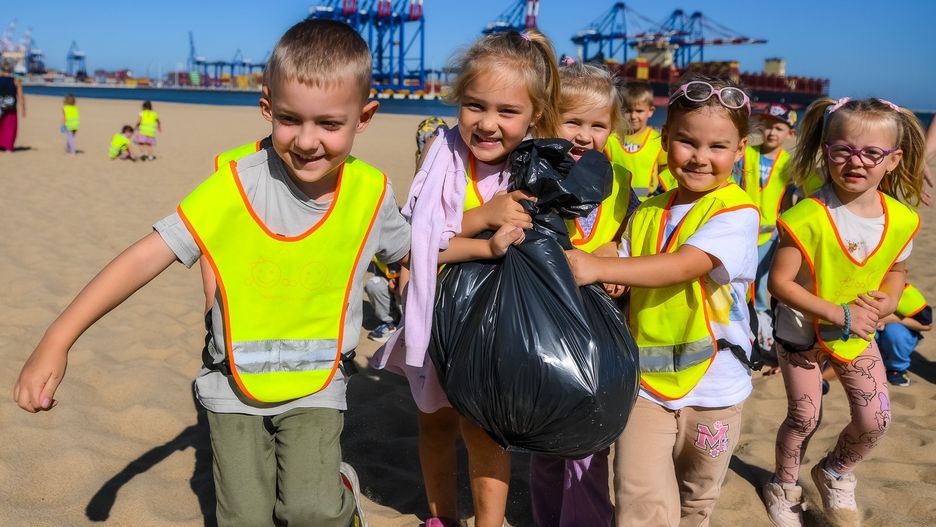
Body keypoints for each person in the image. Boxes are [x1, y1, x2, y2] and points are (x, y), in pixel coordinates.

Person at [14, 19, 409, 527]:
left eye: (329, 124)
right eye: (290, 119)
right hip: (231, 384)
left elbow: (415, 251)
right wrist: (58, 338)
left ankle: (341, 490)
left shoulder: (371, 193)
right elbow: (144, 256)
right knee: (246, 518)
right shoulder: (232, 186)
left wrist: (478, 237)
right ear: (267, 107)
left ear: (365, 117)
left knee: (309, 509)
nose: (308, 141)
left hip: (318, 381)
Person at [371, 28, 560, 527]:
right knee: (433, 425)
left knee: (483, 435)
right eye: (475, 106)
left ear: (535, 115)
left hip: (497, 331)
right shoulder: (442, 156)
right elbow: (415, 241)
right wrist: (482, 221)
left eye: (507, 111)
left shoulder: (536, 169)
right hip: (438, 320)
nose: (487, 124)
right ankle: (441, 517)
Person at [566, 74, 760, 527]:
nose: (700, 157)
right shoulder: (649, 206)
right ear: (665, 140)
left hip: (715, 388)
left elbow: (683, 264)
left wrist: (599, 268)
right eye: (687, 142)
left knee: (696, 497)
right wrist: (606, 259)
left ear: (740, 149)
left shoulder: (737, 213)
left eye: (717, 147)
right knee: (639, 498)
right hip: (645, 386)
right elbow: (628, 254)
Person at [762, 97, 924, 526]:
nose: (856, 162)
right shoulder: (807, 215)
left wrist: (889, 300)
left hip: (856, 333)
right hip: (800, 332)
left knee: (876, 418)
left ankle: (834, 471)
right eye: (842, 150)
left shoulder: (902, 219)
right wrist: (836, 312)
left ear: (894, 160)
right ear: (826, 152)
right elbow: (778, 284)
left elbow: (897, 271)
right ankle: (784, 485)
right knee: (804, 416)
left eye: (871, 153)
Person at [528, 59, 632, 527]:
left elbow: (627, 232)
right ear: (547, 118)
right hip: (547, 321)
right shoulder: (534, 171)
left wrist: (615, 250)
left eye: (598, 125)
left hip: (599, 324)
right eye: (572, 121)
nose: (584, 135)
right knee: (548, 433)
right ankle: (549, 515)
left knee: (592, 435)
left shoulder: (622, 181)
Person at [739, 103, 798, 353]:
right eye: (767, 126)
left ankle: (764, 337)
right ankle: (741, 330)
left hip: (771, 235)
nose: (772, 133)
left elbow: (791, 199)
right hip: (743, 230)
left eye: (779, 128)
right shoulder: (746, 154)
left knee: (763, 286)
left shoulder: (789, 164)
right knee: (741, 283)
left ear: (790, 133)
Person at [615, 81, 670, 200]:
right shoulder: (610, 140)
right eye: (628, 111)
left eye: (639, 111)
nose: (633, 116)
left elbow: (666, 172)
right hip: (614, 202)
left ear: (650, 111)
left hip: (645, 203)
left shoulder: (657, 140)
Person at [877, 282, 931, 386]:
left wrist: (894, 319)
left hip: (895, 336)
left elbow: (927, 326)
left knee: (895, 332)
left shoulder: (908, 295)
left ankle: (896, 368)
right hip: (869, 332)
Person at [365, 258, 401, 342]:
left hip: (409, 288)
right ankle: (390, 324)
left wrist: (399, 281)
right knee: (375, 284)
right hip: (392, 289)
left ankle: (408, 327)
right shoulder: (379, 254)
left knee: (405, 290)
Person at [0, 59, 25, 152]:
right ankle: (8, 147)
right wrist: (24, 109)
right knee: (10, 127)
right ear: (11, 69)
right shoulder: (16, 81)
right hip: (11, 107)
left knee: (1, 126)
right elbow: (21, 96)